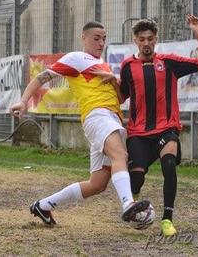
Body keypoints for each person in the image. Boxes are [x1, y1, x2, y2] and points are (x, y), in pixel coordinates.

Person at [9, 22, 150, 226]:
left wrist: (112, 80)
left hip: (110, 118)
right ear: (83, 38)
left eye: (104, 38)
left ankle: (44, 205)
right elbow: (41, 77)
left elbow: (120, 99)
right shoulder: (76, 58)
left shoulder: (102, 64)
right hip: (97, 116)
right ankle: (128, 204)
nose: (101, 42)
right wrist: (23, 101)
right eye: (96, 38)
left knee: (98, 184)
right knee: (120, 155)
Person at [119, 14, 198, 236]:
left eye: (150, 38)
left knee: (168, 165)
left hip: (166, 128)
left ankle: (167, 220)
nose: (146, 43)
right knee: (137, 178)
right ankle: (134, 209)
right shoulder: (128, 66)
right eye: (142, 39)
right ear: (135, 41)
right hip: (138, 133)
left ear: (156, 39)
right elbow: (121, 97)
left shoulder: (168, 62)